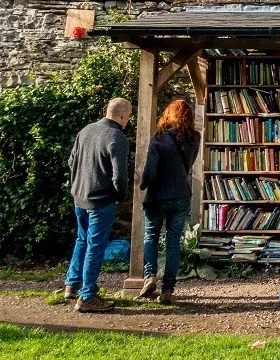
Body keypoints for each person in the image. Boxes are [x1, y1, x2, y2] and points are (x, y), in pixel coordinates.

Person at [65, 97, 132, 313]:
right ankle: (88, 296)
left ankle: (71, 284)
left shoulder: (86, 131)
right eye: (129, 116)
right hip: (100, 199)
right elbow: (119, 175)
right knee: (96, 245)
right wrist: (120, 196)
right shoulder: (117, 137)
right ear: (123, 115)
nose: (128, 120)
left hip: (79, 195)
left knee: (82, 240)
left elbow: (71, 161)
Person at [137, 97, 200, 304]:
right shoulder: (194, 139)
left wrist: (143, 185)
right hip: (181, 195)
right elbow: (188, 165)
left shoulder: (159, 139)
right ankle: (168, 289)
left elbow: (149, 172)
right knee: (174, 242)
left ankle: (149, 276)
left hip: (157, 196)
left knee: (151, 237)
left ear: (168, 115)